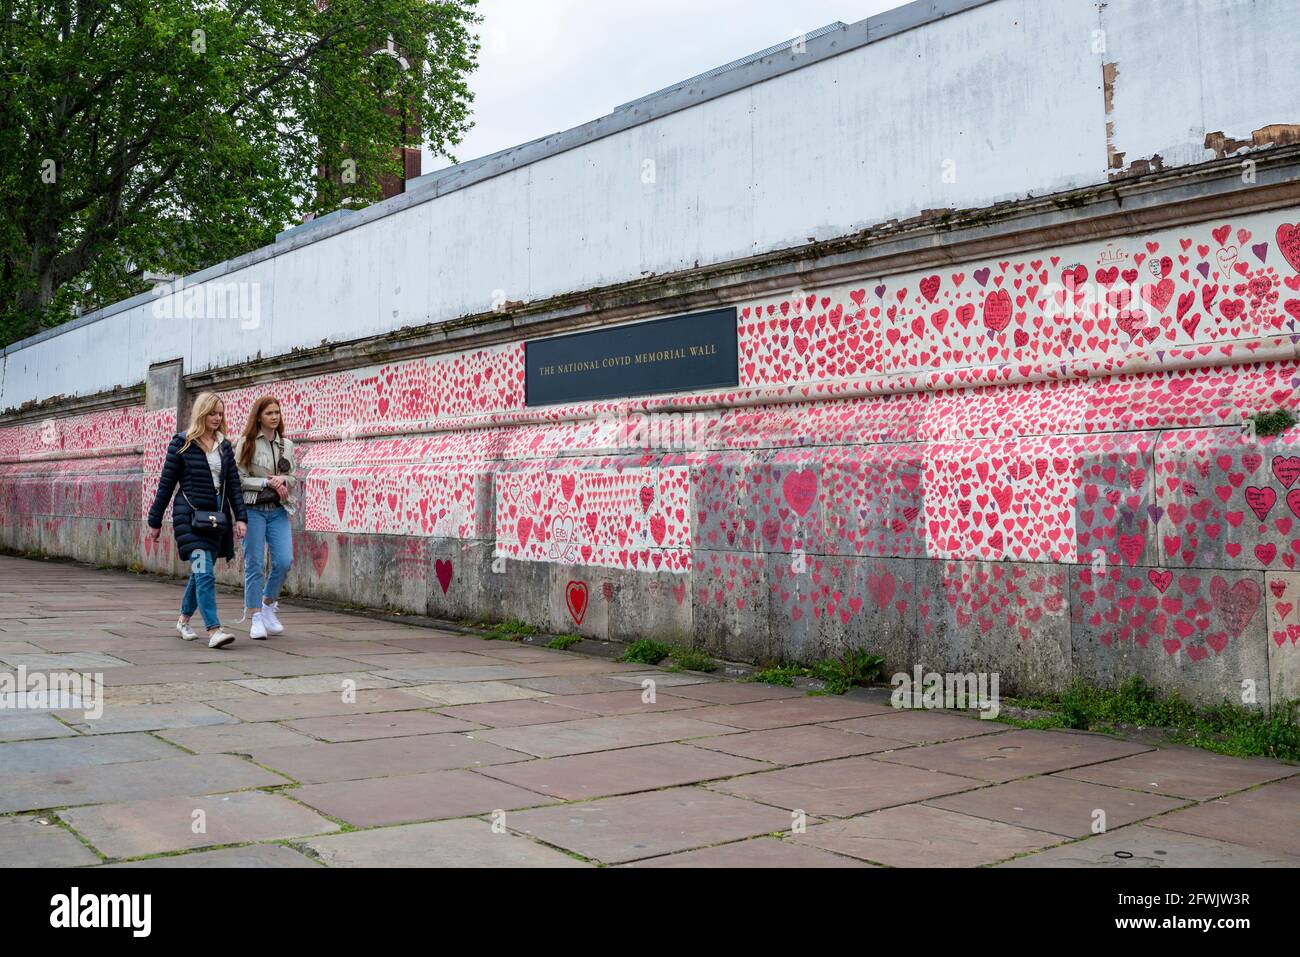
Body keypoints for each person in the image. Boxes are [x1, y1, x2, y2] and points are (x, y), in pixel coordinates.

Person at [146, 392, 248, 649]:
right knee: (204, 573)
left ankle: (183, 620)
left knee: (200, 573)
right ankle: (214, 629)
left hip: (217, 521)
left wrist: (241, 518)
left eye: (221, 414)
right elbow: (166, 485)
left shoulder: (224, 445)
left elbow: (233, 485)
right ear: (202, 414)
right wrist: (155, 521)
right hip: (190, 520)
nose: (217, 418)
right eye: (213, 413)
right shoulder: (182, 443)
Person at [233, 396, 296, 639]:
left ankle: (268, 604)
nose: (274, 416)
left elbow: (292, 475)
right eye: (269, 412)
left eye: (277, 412)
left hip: (278, 510)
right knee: (255, 564)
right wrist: (264, 482)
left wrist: (283, 480)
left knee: (284, 560)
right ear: (259, 416)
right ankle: (256, 617)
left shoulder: (285, 445)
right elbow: (237, 479)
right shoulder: (246, 442)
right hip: (253, 510)